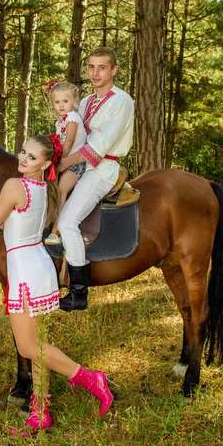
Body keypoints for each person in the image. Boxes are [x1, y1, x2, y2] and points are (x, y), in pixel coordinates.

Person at [0, 135, 113, 436]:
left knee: (28, 346)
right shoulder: (42, 188)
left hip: (24, 271)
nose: (23, 159)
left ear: (47, 163)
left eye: (32, 157)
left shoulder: (15, 185)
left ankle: (90, 378)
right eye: (23, 152)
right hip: (36, 267)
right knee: (36, 345)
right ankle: (39, 413)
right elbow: (7, 222)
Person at [57, 47, 134, 312]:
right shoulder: (87, 100)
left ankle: (79, 293)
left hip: (102, 169)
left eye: (102, 67)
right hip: (79, 166)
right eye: (91, 67)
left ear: (114, 70)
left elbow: (100, 145)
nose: (95, 73)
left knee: (67, 222)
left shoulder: (122, 101)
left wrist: (63, 162)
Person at [44, 81, 87, 246]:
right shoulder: (60, 121)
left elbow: (68, 142)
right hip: (63, 160)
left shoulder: (73, 118)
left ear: (74, 101)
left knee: (62, 189)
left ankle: (56, 231)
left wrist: (60, 162)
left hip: (74, 163)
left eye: (65, 101)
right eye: (57, 102)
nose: (61, 105)